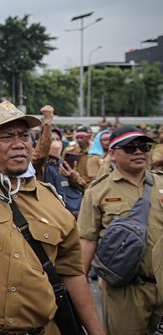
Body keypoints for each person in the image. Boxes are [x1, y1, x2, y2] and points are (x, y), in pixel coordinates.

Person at [0, 13, 103, 334]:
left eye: (23, 135)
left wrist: (97, 331)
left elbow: (72, 275)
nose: (18, 144)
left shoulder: (52, 204)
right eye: (6, 136)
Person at [77, 126, 163, 334]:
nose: (139, 152)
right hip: (125, 291)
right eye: (130, 148)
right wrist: (80, 287)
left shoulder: (161, 182)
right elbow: (87, 240)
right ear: (112, 154)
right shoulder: (98, 191)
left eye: (144, 147)